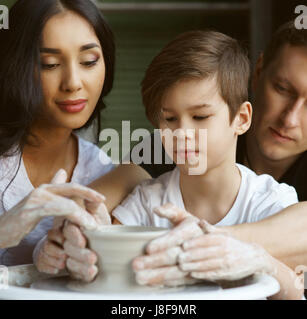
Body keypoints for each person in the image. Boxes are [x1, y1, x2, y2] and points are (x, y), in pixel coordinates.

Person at [35, 20, 307, 292]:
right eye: (170, 119)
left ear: (241, 118)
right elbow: (94, 243)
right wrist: (73, 240)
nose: (182, 134)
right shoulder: (146, 201)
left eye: (200, 117)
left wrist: (251, 258)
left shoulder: (272, 201)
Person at [0, 0, 120, 267]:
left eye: (89, 61)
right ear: (14, 67)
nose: (73, 83)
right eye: (50, 64)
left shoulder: (101, 171)